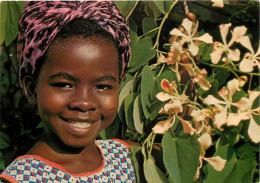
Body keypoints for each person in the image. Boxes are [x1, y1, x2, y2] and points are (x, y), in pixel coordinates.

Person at [0, 1, 136, 182]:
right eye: (65, 85)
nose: (84, 103)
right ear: (32, 89)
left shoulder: (128, 156)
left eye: (102, 87)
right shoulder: (22, 178)